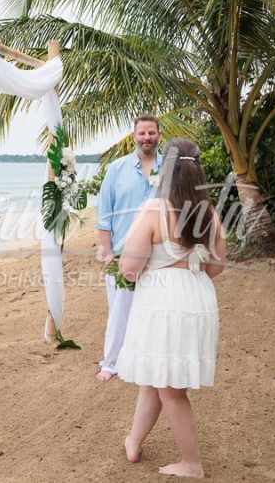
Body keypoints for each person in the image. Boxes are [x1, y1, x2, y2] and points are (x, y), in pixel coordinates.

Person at [115, 138, 226, 478]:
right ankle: (134, 441)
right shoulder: (209, 214)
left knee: (171, 390)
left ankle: (191, 463)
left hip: (163, 302)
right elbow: (217, 266)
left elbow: (129, 269)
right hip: (197, 297)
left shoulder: (153, 211)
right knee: (156, 376)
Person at [95, 114, 163, 381]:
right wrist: (109, 253)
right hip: (122, 254)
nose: (147, 138)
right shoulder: (116, 169)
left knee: (155, 311)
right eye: (142, 133)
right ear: (134, 136)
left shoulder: (169, 169)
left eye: (151, 133)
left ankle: (149, 361)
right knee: (119, 312)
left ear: (159, 135)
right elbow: (104, 216)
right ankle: (110, 363)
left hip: (159, 255)